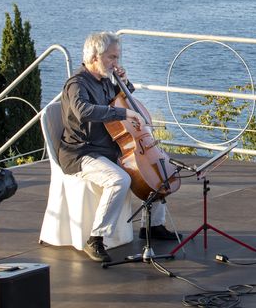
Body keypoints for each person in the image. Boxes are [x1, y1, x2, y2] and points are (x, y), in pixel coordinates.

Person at [60, 31, 178, 263]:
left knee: (152, 171)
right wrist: (124, 112)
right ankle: (96, 239)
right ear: (94, 57)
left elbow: (122, 101)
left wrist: (124, 84)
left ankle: (152, 226)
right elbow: (84, 111)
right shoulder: (77, 84)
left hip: (108, 148)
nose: (116, 63)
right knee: (120, 180)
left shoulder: (105, 80)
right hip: (82, 152)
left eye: (117, 58)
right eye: (112, 58)